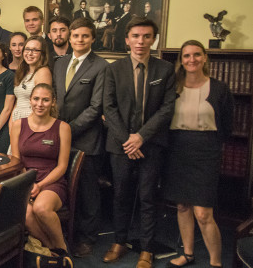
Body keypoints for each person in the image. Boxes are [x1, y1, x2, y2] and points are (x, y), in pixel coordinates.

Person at [102, 17, 176, 268]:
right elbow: (108, 108)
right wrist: (127, 140)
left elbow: (167, 109)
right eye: (135, 36)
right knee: (120, 194)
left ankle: (147, 249)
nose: (140, 42)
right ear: (127, 39)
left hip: (151, 144)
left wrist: (141, 137)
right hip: (120, 145)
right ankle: (119, 242)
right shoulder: (113, 69)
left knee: (147, 197)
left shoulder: (165, 70)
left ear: (153, 39)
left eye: (146, 36)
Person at [163, 41, 232, 268]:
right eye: (186, 56)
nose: (191, 60)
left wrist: (209, 146)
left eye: (196, 55)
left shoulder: (220, 88)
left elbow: (227, 127)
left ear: (204, 58)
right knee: (182, 206)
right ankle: (188, 254)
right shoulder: (173, 87)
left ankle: (215, 262)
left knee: (203, 213)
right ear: (180, 60)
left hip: (206, 151)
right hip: (177, 149)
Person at [52, 18, 109, 257]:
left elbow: (96, 108)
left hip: (85, 139)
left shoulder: (101, 66)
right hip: (59, 137)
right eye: (75, 36)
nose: (79, 40)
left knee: (87, 194)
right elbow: (56, 97)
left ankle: (87, 238)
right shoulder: (59, 62)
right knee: (63, 187)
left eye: (85, 36)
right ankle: (65, 233)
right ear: (70, 37)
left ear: (93, 39)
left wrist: (67, 130)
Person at [11, 83, 72, 258]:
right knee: (27, 211)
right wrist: (28, 184)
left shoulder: (63, 127)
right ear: (30, 100)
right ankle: (52, 250)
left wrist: (40, 185)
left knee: (41, 208)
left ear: (53, 102)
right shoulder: (17, 125)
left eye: (45, 100)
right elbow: (17, 161)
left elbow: (62, 166)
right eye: (36, 99)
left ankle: (63, 249)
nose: (40, 104)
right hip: (26, 181)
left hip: (52, 182)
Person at [10, 36, 53, 130]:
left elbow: (41, 105)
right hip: (17, 119)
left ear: (42, 53)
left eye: (35, 50)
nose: (30, 53)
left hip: (32, 122)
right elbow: (18, 101)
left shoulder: (43, 72)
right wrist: (11, 126)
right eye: (27, 49)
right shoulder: (23, 72)